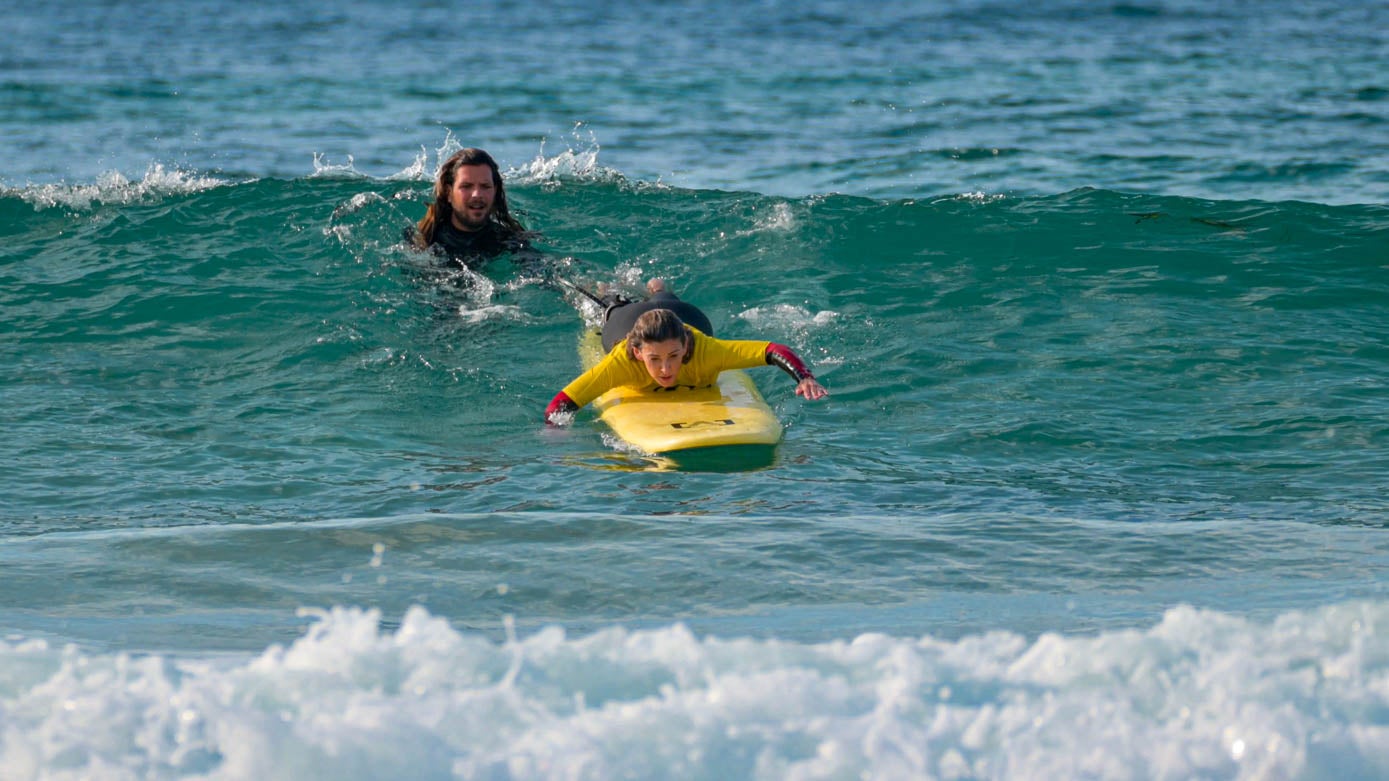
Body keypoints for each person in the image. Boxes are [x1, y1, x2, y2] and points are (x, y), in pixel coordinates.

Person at [545, 280, 828, 423]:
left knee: (666, 300)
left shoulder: (708, 351)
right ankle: (608, 291)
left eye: (674, 357)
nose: (666, 369)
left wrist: (804, 377)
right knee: (611, 309)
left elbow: (773, 350)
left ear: (685, 347)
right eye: (655, 360)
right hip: (626, 323)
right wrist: (556, 432)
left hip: (683, 317)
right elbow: (562, 402)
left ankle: (659, 289)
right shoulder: (622, 362)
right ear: (640, 354)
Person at [412, 147, 532, 268]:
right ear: (449, 193)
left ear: (495, 191)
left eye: (485, 186)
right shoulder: (422, 238)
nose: (477, 194)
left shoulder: (508, 240)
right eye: (466, 186)